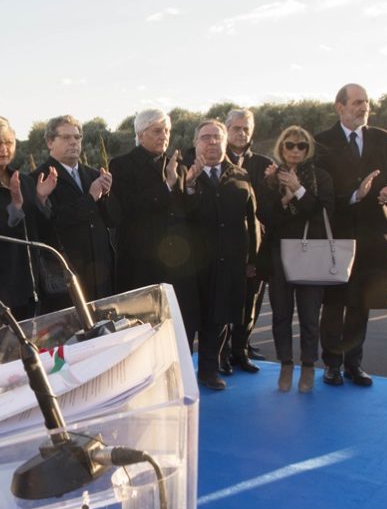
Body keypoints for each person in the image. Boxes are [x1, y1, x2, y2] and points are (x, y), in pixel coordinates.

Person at [315, 83, 387, 387]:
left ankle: (354, 363)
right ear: (340, 107)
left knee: (361, 305)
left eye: (366, 102)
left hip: (373, 234)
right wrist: (355, 194)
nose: (363, 107)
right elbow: (319, 191)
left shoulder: (385, 140)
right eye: (356, 103)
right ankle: (331, 364)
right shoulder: (321, 142)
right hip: (337, 234)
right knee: (334, 303)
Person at [255, 127, 335, 392]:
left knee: (310, 315)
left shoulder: (320, 177)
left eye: (301, 146)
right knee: (281, 314)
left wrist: (298, 190)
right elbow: (265, 216)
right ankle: (286, 365)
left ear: (308, 148)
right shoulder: (269, 179)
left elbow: (323, 211)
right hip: (279, 257)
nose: (295, 150)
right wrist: (284, 199)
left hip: (310, 253)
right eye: (290, 145)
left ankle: (309, 367)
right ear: (282, 147)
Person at [109, 108, 198, 342]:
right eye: (157, 131)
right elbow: (127, 208)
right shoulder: (121, 165)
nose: (164, 136)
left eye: (167, 131)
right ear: (140, 133)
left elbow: (183, 213)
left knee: (174, 329)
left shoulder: (177, 165)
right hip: (140, 264)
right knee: (142, 330)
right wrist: (166, 186)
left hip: (173, 263)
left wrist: (189, 188)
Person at [184, 120, 257, 391]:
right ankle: (180, 375)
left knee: (219, 319)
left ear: (225, 142)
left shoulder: (240, 175)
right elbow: (179, 213)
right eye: (206, 137)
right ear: (196, 143)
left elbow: (251, 219)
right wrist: (190, 184)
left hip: (229, 262)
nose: (212, 142)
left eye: (217, 137)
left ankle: (209, 371)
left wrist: (253, 260)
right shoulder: (184, 173)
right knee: (190, 321)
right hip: (192, 264)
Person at [0, 114, 57, 335]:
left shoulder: (25, 181)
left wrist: (41, 200)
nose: (3, 148)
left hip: (32, 287)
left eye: (8, 142)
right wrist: (15, 208)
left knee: (33, 358)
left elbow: (41, 231)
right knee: (0, 362)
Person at [33, 115, 117, 313]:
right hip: (66, 278)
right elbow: (53, 222)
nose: (74, 142)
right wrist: (90, 197)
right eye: (66, 137)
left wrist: (106, 195)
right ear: (50, 142)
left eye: (77, 137)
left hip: (101, 275)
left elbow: (113, 220)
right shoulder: (39, 178)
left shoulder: (94, 174)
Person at [223, 108, 272, 371]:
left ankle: (241, 350)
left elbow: (269, 206)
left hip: (255, 246)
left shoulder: (264, 164)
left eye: (246, 129)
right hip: (223, 247)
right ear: (226, 129)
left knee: (251, 299)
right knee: (222, 301)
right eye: (236, 128)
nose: (241, 133)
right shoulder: (214, 159)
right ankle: (222, 352)